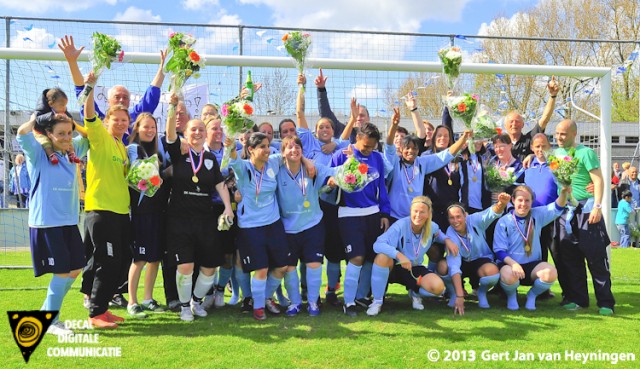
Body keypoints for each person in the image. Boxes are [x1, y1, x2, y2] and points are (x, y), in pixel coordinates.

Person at [16, 112, 89, 335]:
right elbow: (22, 133)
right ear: (49, 134)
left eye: (69, 133)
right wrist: (35, 119)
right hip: (46, 223)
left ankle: (46, 312)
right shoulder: (38, 153)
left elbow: (91, 135)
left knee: (76, 269)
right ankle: (51, 320)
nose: (67, 137)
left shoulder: (73, 151)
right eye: (61, 133)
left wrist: (70, 120)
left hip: (69, 221)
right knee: (61, 272)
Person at [165, 95, 234, 322]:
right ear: (185, 134)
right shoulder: (179, 152)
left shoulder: (211, 159)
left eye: (200, 131)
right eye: (192, 130)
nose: (196, 133)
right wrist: (173, 108)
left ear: (205, 135)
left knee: (209, 267)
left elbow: (219, 184)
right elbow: (169, 134)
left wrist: (227, 208)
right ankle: (184, 306)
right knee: (185, 266)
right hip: (179, 219)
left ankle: (195, 301)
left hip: (205, 219)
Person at [330, 99, 390, 317]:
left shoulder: (377, 158)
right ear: (357, 138)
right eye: (365, 146)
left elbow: (381, 187)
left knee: (371, 257)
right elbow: (329, 183)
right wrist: (336, 179)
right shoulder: (341, 155)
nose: (368, 151)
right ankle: (348, 302)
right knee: (355, 257)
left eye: (372, 147)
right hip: (348, 215)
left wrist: (384, 213)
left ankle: (363, 297)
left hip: (373, 214)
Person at [81, 72, 132, 329]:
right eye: (117, 120)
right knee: (108, 261)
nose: (122, 123)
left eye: (125, 120)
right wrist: (89, 86)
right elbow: (88, 111)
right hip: (102, 210)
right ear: (107, 120)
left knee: (123, 260)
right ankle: (95, 313)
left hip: (121, 212)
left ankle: (104, 307)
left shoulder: (122, 146)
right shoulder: (100, 137)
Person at [225, 132, 290, 321]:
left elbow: (290, 151)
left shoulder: (274, 162)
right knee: (260, 268)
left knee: (281, 266)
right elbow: (234, 159)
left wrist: (307, 162)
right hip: (250, 227)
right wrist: (230, 146)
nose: (267, 150)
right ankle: (259, 308)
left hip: (273, 224)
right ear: (251, 149)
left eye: (268, 146)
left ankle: (263, 297)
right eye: (262, 147)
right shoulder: (243, 168)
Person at [554, 119, 615, 316]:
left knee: (596, 258)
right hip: (565, 211)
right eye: (557, 133)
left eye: (563, 134)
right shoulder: (555, 155)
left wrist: (597, 206)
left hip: (587, 210)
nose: (559, 137)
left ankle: (606, 302)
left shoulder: (586, 153)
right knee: (571, 258)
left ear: (574, 134)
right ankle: (578, 299)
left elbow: (598, 180)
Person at [367, 196, 458, 316]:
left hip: (413, 268)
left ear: (429, 213)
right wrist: (399, 255)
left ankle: (415, 293)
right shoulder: (400, 225)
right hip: (394, 267)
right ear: (410, 211)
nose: (418, 215)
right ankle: (377, 302)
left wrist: (447, 240)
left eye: (422, 212)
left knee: (438, 288)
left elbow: (439, 234)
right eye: (415, 211)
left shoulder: (432, 227)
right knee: (382, 257)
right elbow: (378, 244)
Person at [384, 109, 471, 222]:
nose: (411, 151)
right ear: (401, 149)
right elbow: (389, 146)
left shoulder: (422, 163)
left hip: (415, 219)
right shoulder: (396, 163)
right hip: (394, 217)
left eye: (414, 148)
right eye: (407, 148)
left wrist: (463, 138)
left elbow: (446, 155)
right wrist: (394, 125)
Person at [59, 35, 166, 124]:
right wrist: (72, 62)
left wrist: (163, 68)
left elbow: (150, 99)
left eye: (125, 97)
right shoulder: (99, 121)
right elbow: (82, 93)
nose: (121, 100)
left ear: (129, 102)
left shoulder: (133, 120)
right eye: (117, 97)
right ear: (108, 100)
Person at [494, 185, 570, 310]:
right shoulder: (504, 221)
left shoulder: (537, 215)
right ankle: (512, 296)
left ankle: (532, 296)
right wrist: (513, 264)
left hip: (532, 266)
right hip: (510, 266)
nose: (523, 204)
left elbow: (558, 207)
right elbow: (499, 251)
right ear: (513, 200)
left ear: (532, 201)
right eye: (520, 200)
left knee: (551, 273)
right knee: (508, 275)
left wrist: (563, 192)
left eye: (527, 200)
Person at [125, 113, 167, 318]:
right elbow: (135, 175)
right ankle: (132, 302)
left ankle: (148, 298)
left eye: (153, 127)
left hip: (158, 211)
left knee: (155, 259)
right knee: (139, 258)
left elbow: (162, 176)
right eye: (146, 127)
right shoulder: (133, 149)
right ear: (137, 128)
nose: (150, 131)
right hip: (141, 212)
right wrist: (155, 173)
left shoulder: (158, 151)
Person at [444, 193, 510, 311]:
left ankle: (481, 292)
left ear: (465, 216)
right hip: (462, 263)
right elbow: (454, 266)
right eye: (451, 218)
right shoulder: (450, 234)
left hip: (480, 261)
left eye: (458, 216)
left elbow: (490, 213)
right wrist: (459, 295)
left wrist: (501, 203)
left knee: (492, 271)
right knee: (442, 267)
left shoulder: (474, 220)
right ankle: (453, 293)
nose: (455, 221)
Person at [503, 76, 558, 161]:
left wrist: (552, 96)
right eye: (511, 122)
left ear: (522, 124)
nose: (514, 124)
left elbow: (545, 119)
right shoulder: (501, 144)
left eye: (517, 121)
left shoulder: (530, 138)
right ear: (505, 125)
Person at [315, 68, 369, 142]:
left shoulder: (373, 138)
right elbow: (326, 114)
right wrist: (321, 90)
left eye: (362, 115)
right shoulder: (342, 131)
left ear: (368, 119)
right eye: (356, 115)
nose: (358, 118)